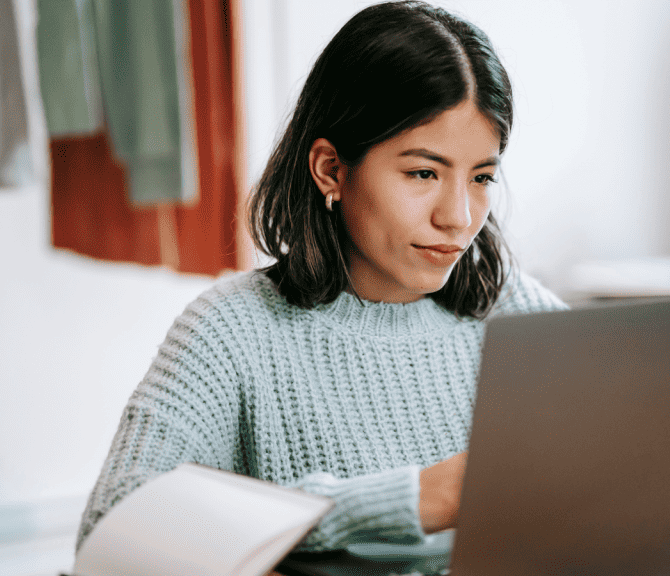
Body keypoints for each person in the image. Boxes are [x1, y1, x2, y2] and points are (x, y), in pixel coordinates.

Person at [75, 0, 567, 555]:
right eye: (423, 172)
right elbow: (111, 529)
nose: (457, 216)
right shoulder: (233, 332)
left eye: (481, 177)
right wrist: (413, 498)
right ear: (331, 168)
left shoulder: (519, 314)